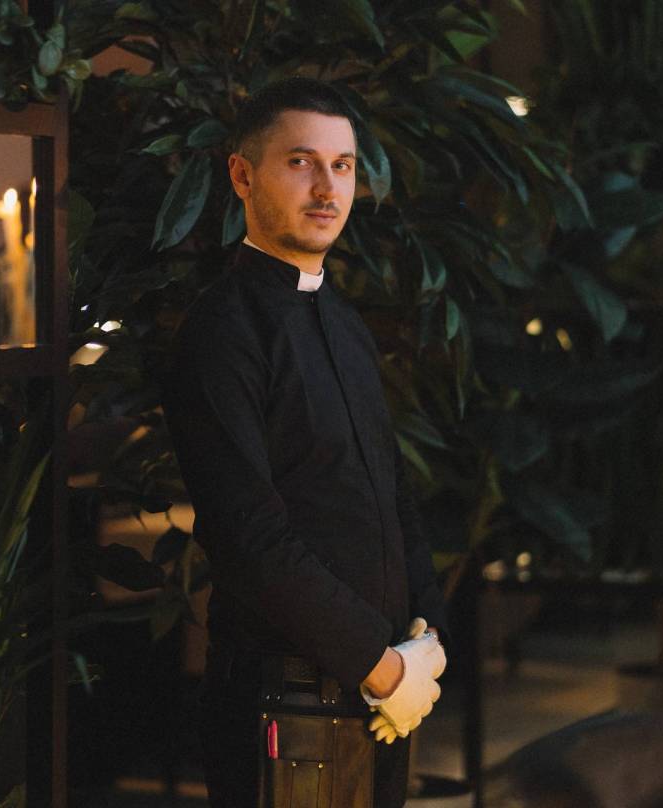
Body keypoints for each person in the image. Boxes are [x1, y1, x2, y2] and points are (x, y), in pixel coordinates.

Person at [161, 76, 450, 807]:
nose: (327, 188)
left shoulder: (346, 324)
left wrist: (428, 640)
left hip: (383, 695)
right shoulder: (220, 331)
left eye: (342, 165)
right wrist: (383, 666)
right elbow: (249, 536)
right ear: (241, 175)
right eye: (301, 162)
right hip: (281, 701)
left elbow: (391, 491)